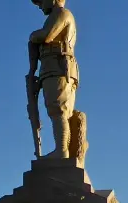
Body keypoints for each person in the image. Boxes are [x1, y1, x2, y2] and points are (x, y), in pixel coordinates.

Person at [28, 0, 79, 159]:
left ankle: (62, 151)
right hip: (54, 67)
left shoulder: (62, 14)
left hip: (58, 66)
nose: (40, 5)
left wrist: (33, 35)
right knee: (57, 109)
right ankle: (62, 150)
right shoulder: (56, 15)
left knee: (58, 109)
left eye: (42, 1)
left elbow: (47, 35)